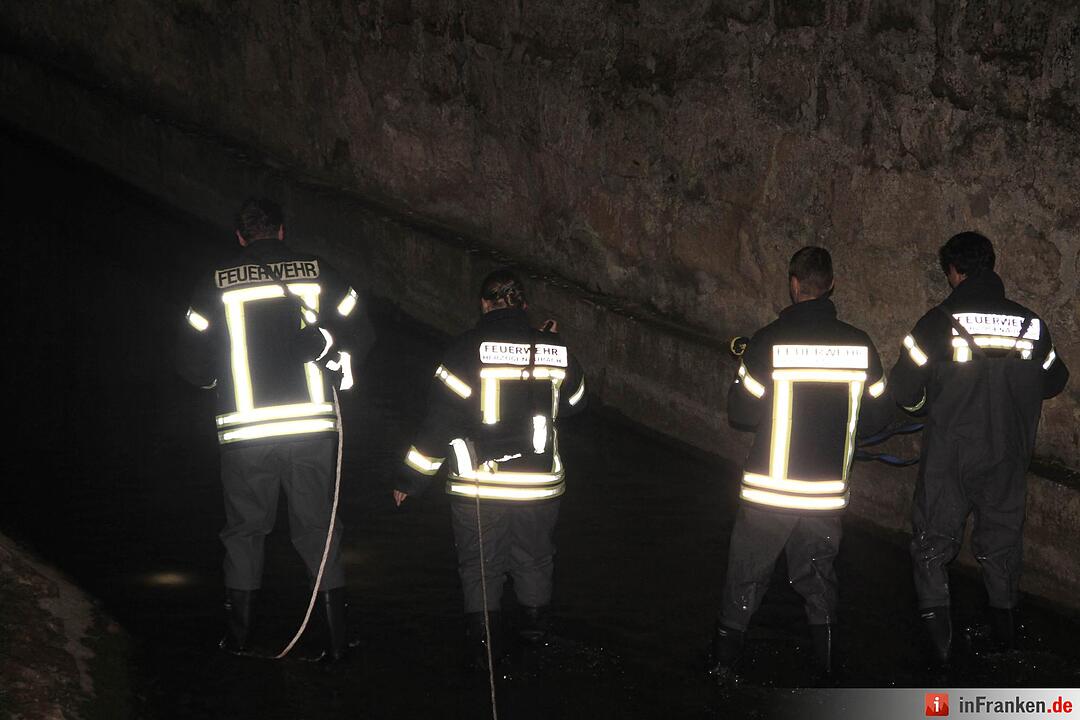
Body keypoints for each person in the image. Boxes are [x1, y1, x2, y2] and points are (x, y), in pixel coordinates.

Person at [176, 197, 374, 661]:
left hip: (245, 434)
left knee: (245, 531)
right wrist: (337, 357)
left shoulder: (215, 281)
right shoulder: (318, 271)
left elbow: (188, 359)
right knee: (318, 529)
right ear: (282, 232)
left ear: (240, 237)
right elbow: (362, 330)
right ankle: (336, 639)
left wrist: (215, 380)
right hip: (310, 427)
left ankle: (240, 639)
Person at [707, 246, 892, 684]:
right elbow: (884, 416)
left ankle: (722, 666)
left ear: (794, 284)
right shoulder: (860, 345)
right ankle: (826, 668)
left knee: (746, 577)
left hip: (770, 492)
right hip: (826, 493)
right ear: (831, 284)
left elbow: (741, 413)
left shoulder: (768, 341)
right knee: (818, 578)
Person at [889, 231, 1068, 667]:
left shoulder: (937, 321)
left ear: (954, 272)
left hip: (951, 453)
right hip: (1008, 454)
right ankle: (1004, 639)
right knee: (1002, 544)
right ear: (992, 264)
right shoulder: (1031, 325)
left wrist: (925, 408)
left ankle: (940, 650)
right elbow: (1054, 380)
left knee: (933, 541)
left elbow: (903, 389)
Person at [393, 269, 586, 669]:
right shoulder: (553, 346)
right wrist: (554, 344)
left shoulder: (463, 350)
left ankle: (484, 647)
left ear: (484, 304)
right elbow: (576, 403)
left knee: (480, 564)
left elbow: (439, 421)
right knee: (535, 558)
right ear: (524, 305)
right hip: (538, 483)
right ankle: (537, 638)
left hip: (479, 483)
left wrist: (411, 480)